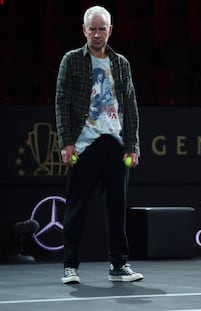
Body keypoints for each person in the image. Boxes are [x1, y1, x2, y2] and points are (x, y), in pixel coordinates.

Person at [55, 5, 143, 284]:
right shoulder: (72, 60)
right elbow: (61, 103)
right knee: (77, 207)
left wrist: (133, 145)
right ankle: (70, 265)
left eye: (101, 28)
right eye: (92, 28)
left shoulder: (121, 63)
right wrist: (66, 142)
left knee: (117, 208)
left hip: (115, 143)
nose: (96, 33)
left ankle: (118, 265)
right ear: (84, 30)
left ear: (110, 30)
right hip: (84, 144)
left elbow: (130, 106)